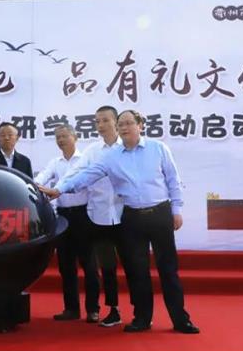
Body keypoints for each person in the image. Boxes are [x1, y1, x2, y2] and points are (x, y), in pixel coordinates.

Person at [43, 110, 199, 334]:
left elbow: (173, 180)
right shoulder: (110, 156)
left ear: (140, 125)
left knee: (168, 269)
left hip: (160, 214)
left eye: (128, 123)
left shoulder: (158, 148)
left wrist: (177, 210)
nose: (124, 127)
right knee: (138, 270)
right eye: (121, 124)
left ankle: (180, 320)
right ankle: (142, 319)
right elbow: (85, 175)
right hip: (132, 217)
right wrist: (59, 189)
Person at [35, 125, 100, 323]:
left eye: (64, 136)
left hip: (84, 215)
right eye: (58, 137)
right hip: (62, 217)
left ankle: (93, 309)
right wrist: (34, 185)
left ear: (75, 137)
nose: (61, 140)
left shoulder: (85, 160)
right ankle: (71, 309)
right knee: (66, 265)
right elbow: (41, 177)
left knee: (89, 264)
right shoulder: (55, 163)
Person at [75, 105, 125, 328]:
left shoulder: (129, 147)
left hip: (127, 216)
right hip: (99, 216)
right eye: (97, 121)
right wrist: (58, 188)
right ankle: (113, 309)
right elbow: (76, 173)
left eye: (105, 120)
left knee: (135, 265)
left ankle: (142, 313)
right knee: (107, 266)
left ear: (116, 122)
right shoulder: (92, 151)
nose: (101, 125)